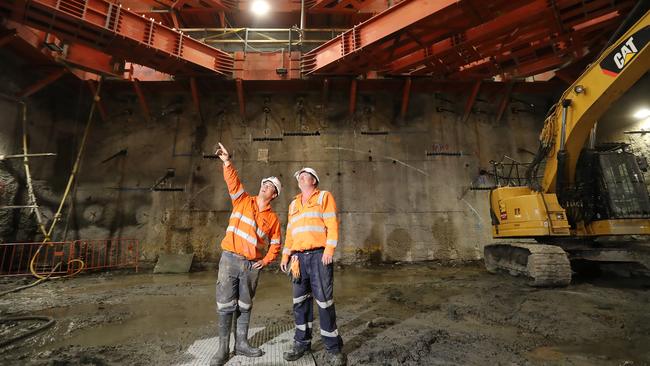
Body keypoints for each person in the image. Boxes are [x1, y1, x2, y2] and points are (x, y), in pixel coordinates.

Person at [210, 142, 282, 366]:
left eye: (270, 186)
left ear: (274, 194)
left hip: (251, 266)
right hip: (229, 259)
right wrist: (227, 161)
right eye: (264, 183)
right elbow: (232, 181)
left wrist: (266, 260)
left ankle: (241, 343)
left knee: (245, 304)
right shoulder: (242, 200)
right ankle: (223, 350)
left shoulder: (273, 219)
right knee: (225, 304)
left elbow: (276, 243)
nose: (265, 186)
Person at [280, 167, 346, 366]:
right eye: (298, 176)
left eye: (304, 175)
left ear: (314, 180)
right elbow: (290, 233)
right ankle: (302, 343)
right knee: (300, 302)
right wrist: (286, 255)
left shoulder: (324, 197)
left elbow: (332, 225)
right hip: (298, 259)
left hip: (318, 256)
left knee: (324, 302)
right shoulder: (293, 204)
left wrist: (329, 250)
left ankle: (333, 349)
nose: (300, 177)